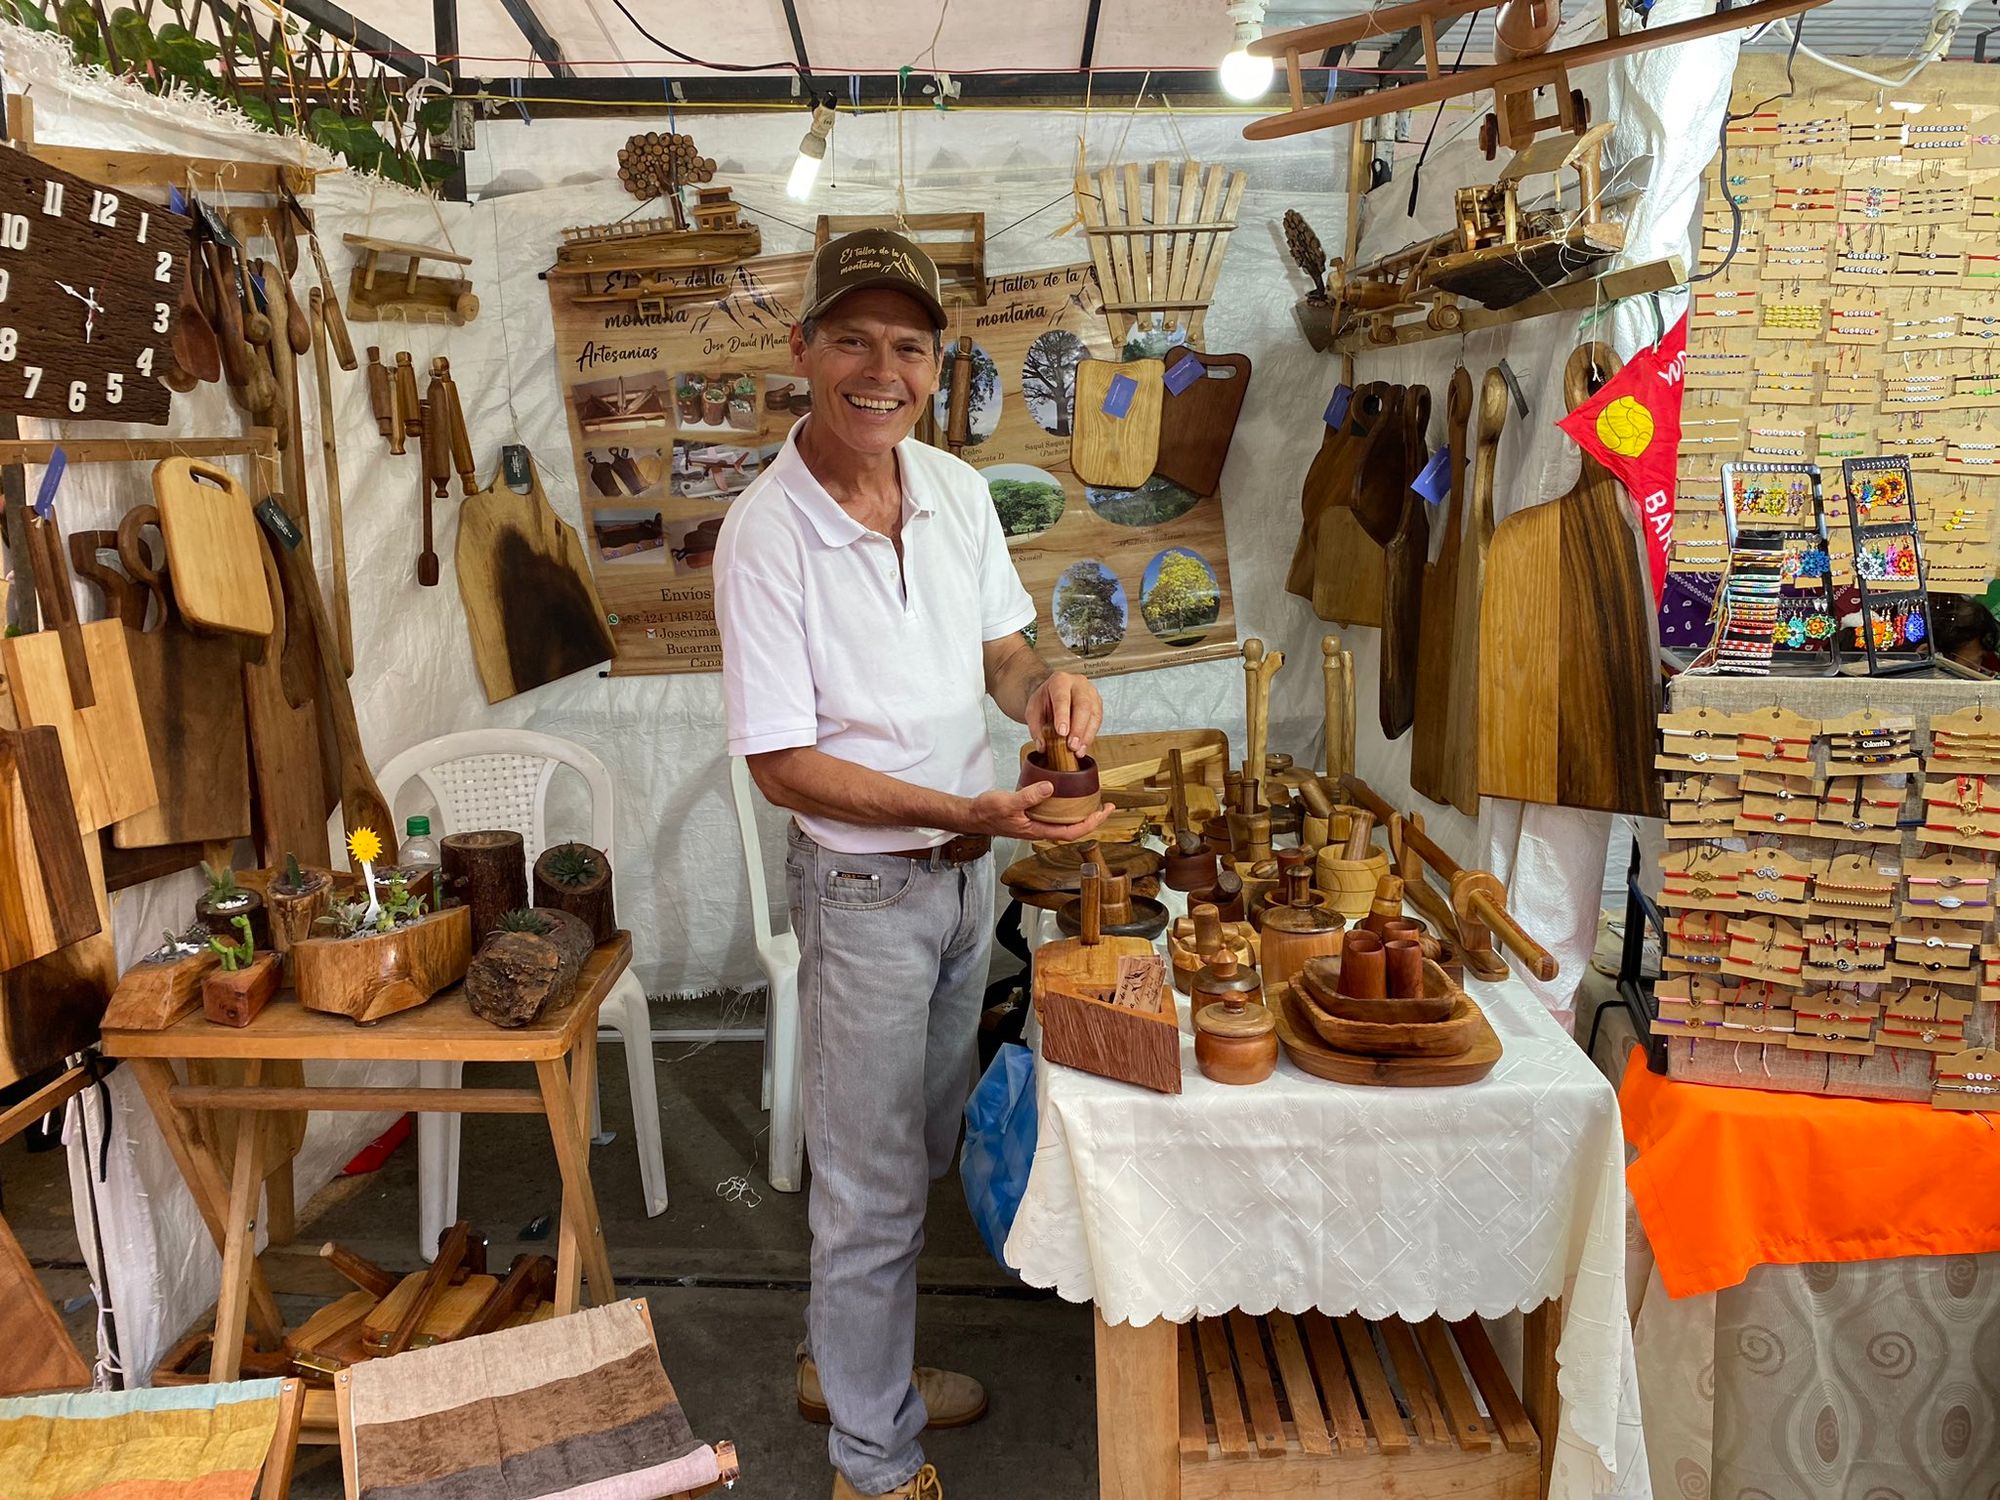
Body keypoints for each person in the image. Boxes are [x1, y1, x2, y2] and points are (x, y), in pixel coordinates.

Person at [713, 230, 1113, 1500]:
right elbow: (780, 763)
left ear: (933, 366)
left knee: (920, 1146)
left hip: (961, 884)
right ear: (803, 352)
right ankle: (871, 1463)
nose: (879, 370)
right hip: (867, 892)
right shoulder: (763, 535)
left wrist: (1043, 682)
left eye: (907, 345)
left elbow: (998, 650)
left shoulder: (950, 488)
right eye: (852, 340)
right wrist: (969, 808)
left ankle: (854, 1364)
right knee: (872, 1180)